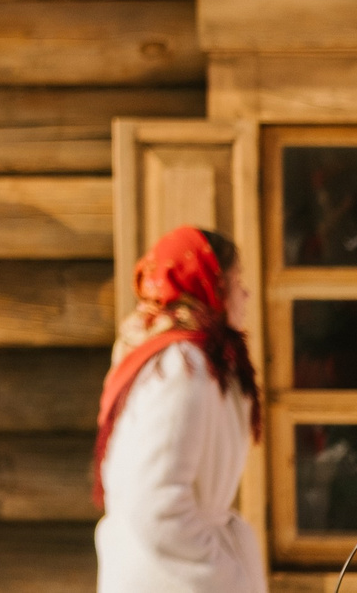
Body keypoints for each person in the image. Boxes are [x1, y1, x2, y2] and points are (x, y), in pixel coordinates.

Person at [94, 226, 266, 593]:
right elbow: (156, 503)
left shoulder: (194, 359)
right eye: (237, 282)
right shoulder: (180, 367)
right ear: (211, 287)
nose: (247, 294)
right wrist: (224, 578)